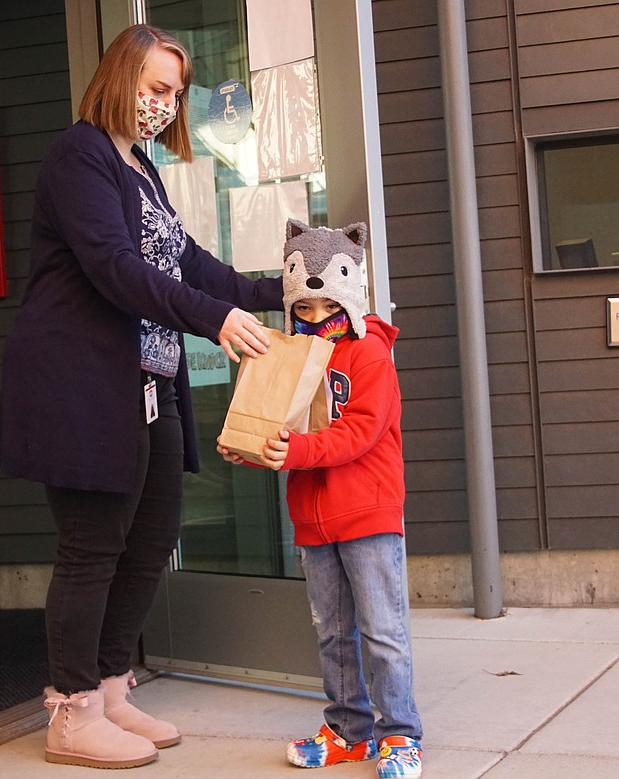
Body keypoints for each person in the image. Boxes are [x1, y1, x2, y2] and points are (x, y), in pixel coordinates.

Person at [0, 24, 283, 771]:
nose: (165, 104)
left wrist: (284, 289)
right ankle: (71, 710)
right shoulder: (79, 156)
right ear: (120, 77)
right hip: (81, 387)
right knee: (91, 548)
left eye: (175, 93)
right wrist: (216, 318)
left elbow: (190, 265)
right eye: (156, 88)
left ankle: (112, 687)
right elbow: (116, 269)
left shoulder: (142, 169)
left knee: (151, 539)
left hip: (149, 381)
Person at [218, 220, 424, 778]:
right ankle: (348, 730)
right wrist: (253, 447)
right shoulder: (286, 359)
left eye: (324, 306)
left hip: (367, 512)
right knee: (333, 632)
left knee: (383, 630)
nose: (313, 319)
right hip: (313, 519)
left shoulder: (370, 355)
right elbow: (280, 432)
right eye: (302, 310)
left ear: (349, 297)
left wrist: (297, 449)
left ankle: (399, 734)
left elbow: (362, 430)